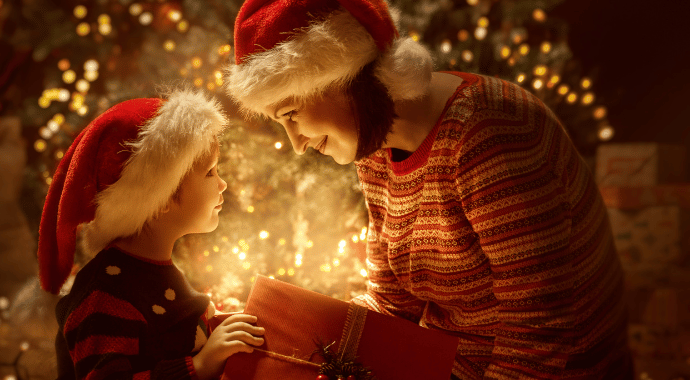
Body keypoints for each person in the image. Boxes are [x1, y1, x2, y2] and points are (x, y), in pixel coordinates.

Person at [225, 0, 632, 379]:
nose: (296, 144)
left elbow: (538, 336)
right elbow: (391, 304)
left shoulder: (486, 133)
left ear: (341, 75)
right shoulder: (376, 145)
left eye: (291, 114)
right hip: (451, 365)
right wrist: (287, 340)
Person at [38, 90, 265, 380]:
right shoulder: (104, 296)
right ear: (161, 198)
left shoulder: (155, 270)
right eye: (210, 172)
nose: (222, 184)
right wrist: (198, 367)